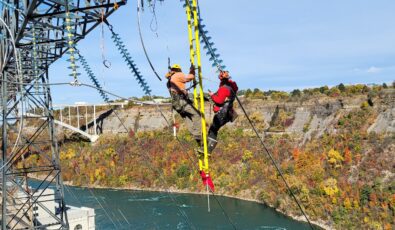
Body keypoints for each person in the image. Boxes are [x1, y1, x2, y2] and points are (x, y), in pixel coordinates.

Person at [165, 64, 202, 145]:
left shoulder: (169, 81)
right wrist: (192, 70)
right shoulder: (178, 75)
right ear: (178, 69)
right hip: (182, 101)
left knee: (187, 118)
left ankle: (196, 136)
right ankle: (199, 135)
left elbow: (177, 88)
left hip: (176, 104)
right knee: (197, 115)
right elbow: (190, 77)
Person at [206, 71, 238, 154]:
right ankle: (208, 148)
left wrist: (212, 95)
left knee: (213, 129)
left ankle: (208, 149)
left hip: (222, 113)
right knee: (214, 129)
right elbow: (235, 87)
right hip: (228, 112)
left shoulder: (224, 88)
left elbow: (219, 101)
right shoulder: (231, 87)